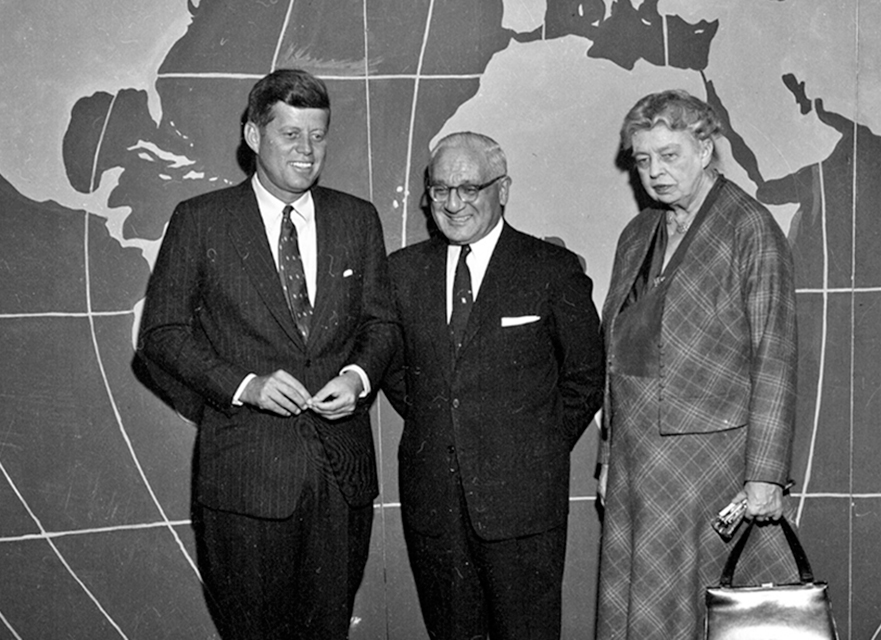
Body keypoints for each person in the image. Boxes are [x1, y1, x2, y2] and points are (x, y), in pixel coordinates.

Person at [137, 68, 398, 640]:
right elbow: (159, 336)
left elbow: (382, 324)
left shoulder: (358, 219)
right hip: (245, 478)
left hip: (341, 478)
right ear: (253, 136)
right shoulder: (201, 220)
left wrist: (357, 378)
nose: (307, 152)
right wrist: (244, 386)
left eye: (318, 135)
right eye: (291, 135)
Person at [383, 131, 605, 640]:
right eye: (440, 190)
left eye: (469, 188)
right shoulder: (401, 274)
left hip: (523, 506)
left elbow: (585, 377)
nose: (454, 204)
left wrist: (536, 445)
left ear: (502, 188)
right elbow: (397, 373)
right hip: (434, 503)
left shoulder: (551, 269)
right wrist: (445, 423)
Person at [595, 90, 800, 639]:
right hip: (638, 462)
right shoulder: (638, 233)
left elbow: (775, 357)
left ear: (705, 148)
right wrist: (608, 456)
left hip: (709, 462)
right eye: (642, 160)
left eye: (669, 155)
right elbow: (619, 359)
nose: (654, 173)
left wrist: (765, 476)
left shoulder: (750, 228)